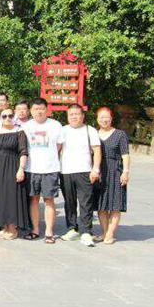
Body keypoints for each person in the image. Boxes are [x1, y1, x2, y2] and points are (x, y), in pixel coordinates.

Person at [59, 104, 101, 247]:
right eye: (71, 114)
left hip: (85, 171)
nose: (74, 117)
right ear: (67, 116)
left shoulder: (90, 130)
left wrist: (95, 169)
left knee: (85, 202)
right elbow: (57, 149)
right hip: (65, 171)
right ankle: (72, 228)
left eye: (77, 114)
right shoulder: (63, 130)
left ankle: (86, 231)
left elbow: (97, 150)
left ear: (82, 116)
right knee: (69, 202)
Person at [23, 98, 64, 243]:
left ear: (47, 110)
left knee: (49, 200)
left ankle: (49, 232)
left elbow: (59, 145)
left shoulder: (55, 125)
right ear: (31, 111)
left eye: (41, 109)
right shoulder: (26, 126)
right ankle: (35, 229)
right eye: (36, 109)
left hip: (50, 169)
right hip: (31, 168)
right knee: (33, 200)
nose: (39, 111)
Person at [0, 107, 29, 240]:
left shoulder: (19, 132)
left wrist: (21, 169)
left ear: (14, 117)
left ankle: (12, 228)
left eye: (10, 116)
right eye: (4, 116)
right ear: (0, 118)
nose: (7, 118)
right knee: (1, 197)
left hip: (13, 166)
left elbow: (23, 152)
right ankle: (5, 227)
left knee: (11, 197)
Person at [94, 107, 130, 244]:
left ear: (111, 118)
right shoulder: (94, 134)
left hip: (116, 171)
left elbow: (125, 154)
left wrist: (125, 172)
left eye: (107, 117)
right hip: (99, 172)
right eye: (101, 117)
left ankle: (110, 233)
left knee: (115, 205)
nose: (104, 120)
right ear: (97, 119)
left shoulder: (120, 134)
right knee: (101, 205)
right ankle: (104, 232)